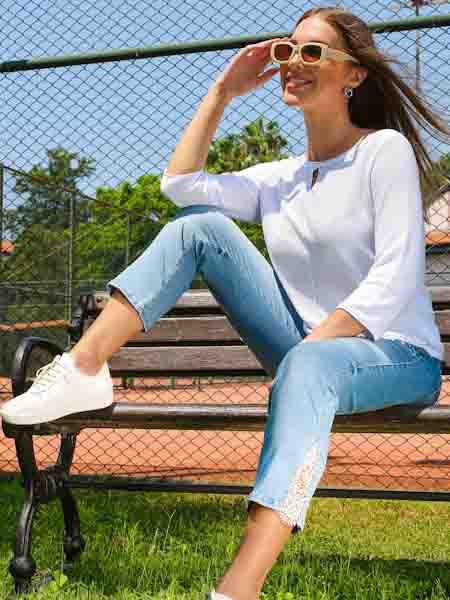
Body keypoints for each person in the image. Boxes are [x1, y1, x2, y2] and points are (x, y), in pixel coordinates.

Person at [2, 6, 449, 600]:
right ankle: (83, 369)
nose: (292, 63)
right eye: (286, 50)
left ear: (354, 74)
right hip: (308, 353)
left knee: (311, 362)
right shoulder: (281, 177)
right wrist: (222, 92)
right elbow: (180, 187)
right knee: (199, 226)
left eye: (312, 52)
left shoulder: (382, 152)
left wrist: (311, 352)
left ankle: (237, 590)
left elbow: (396, 272)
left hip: (396, 355)